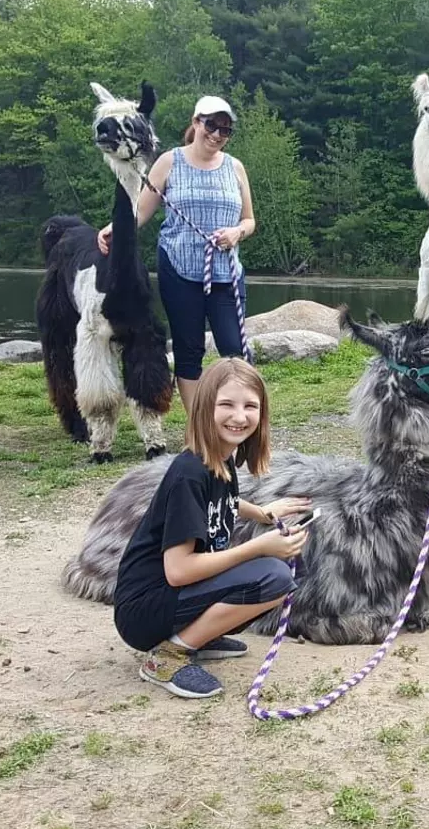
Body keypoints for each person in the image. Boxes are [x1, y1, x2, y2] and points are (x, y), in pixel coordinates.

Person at [113, 357, 311, 699]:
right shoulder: (190, 473)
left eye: (250, 406)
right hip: (144, 609)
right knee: (273, 576)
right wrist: (260, 546)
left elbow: (222, 502)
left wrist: (262, 513)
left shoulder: (220, 459)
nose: (239, 416)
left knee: (282, 572)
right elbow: (178, 571)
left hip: (168, 599)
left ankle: (195, 636)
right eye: (227, 405)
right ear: (205, 407)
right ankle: (168, 656)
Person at [98, 95, 257, 418]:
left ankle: (234, 419)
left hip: (225, 272)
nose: (217, 135)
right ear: (196, 122)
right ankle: (198, 428)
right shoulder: (170, 162)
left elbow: (249, 220)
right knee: (189, 352)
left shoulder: (235, 167)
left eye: (225, 130)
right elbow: (141, 211)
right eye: (211, 125)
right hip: (180, 270)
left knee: (235, 353)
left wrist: (236, 233)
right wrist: (115, 229)